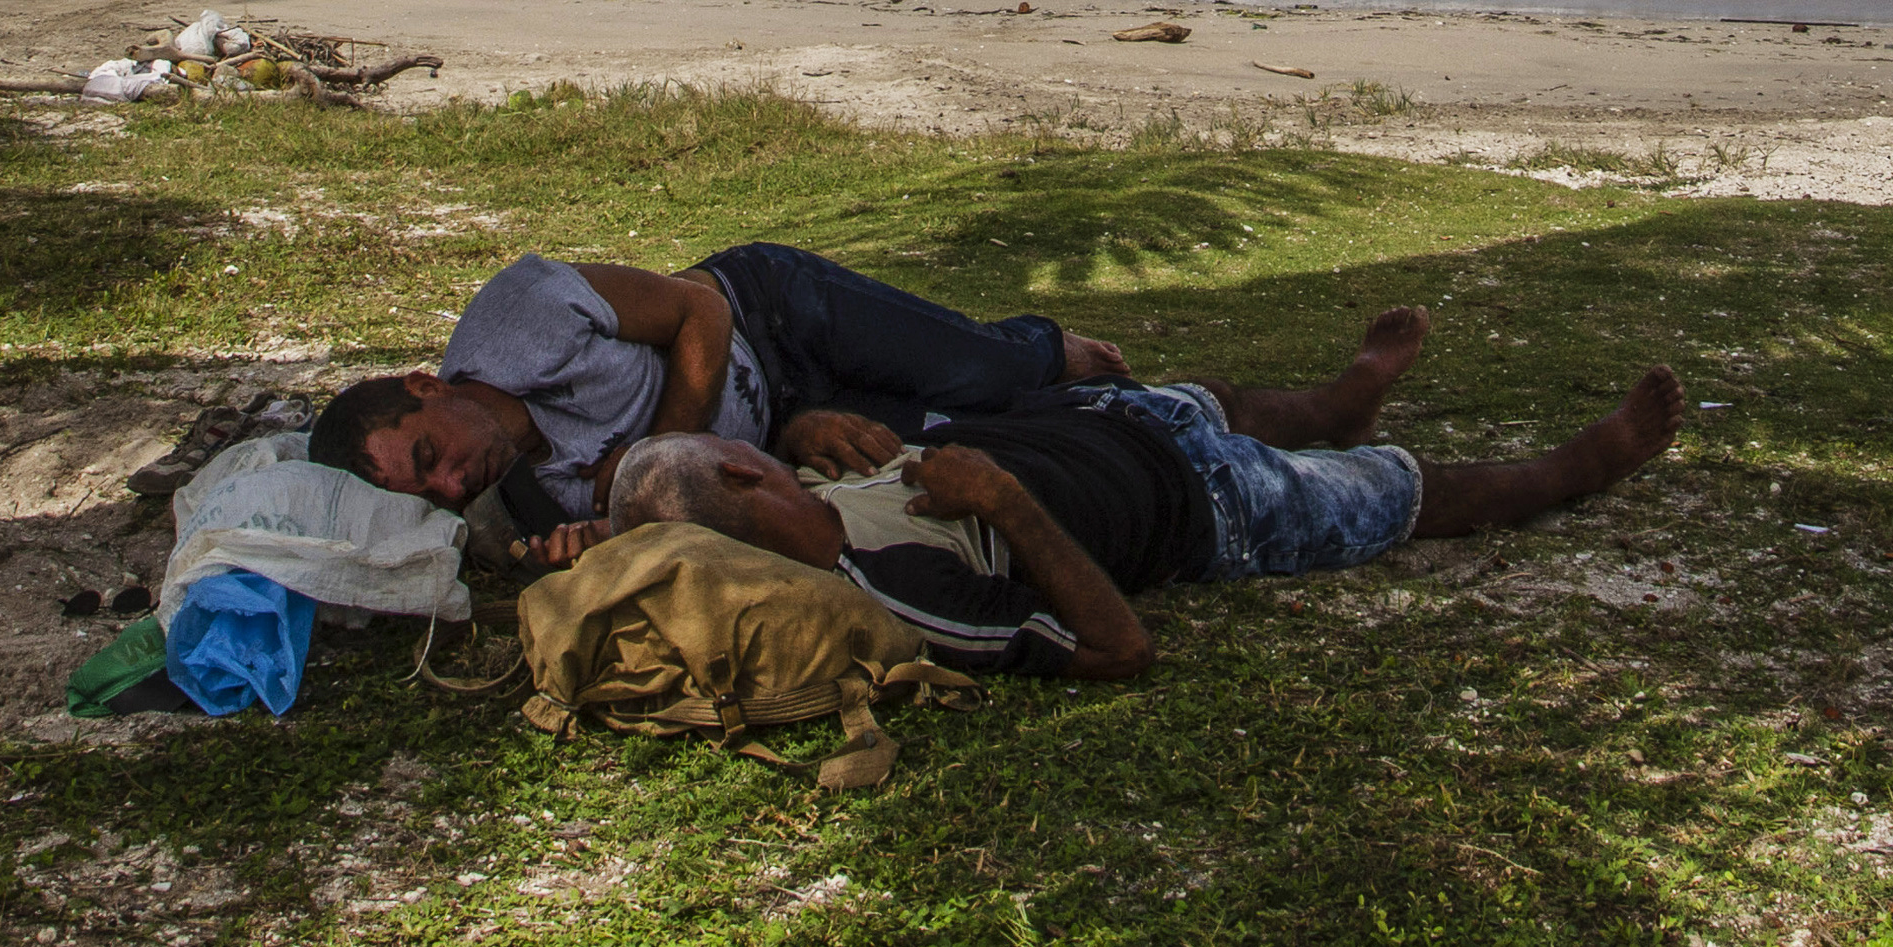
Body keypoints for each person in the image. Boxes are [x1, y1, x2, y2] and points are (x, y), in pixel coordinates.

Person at [592, 309, 1685, 675]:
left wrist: (798, 422)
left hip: (1106, 424)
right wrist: (1006, 504)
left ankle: (1345, 393)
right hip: (1198, 507)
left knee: (1224, 395)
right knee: (1402, 492)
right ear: (741, 474)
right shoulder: (888, 590)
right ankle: (1583, 464)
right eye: (759, 450)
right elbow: (1118, 651)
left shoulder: (812, 477)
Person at [307, 245, 1128, 536]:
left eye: (430, 452)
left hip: (768, 309)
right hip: (781, 424)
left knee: (997, 371)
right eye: (434, 490)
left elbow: (695, 309)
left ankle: (1049, 342)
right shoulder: (535, 500)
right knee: (973, 428)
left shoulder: (518, 318)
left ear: (426, 384)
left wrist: (661, 450)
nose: (455, 481)